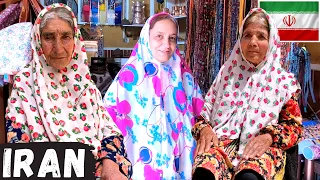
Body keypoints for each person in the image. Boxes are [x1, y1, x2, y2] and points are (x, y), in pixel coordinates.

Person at [5, 4, 132, 180]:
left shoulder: (84, 83)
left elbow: (110, 131)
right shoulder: (25, 85)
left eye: (65, 37)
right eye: (49, 37)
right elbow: (19, 151)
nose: (58, 48)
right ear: (38, 40)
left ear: (76, 39)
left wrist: (110, 165)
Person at [192, 8, 303, 180]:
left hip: (261, 147)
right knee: (203, 172)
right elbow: (203, 116)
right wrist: (205, 129)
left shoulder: (283, 82)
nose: (253, 42)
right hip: (222, 144)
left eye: (261, 36)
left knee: (248, 177)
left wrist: (269, 136)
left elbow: (294, 127)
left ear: (272, 41)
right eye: (247, 35)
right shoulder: (226, 74)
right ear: (240, 40)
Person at [103, 13, 204, 179]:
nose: (166, 44)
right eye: (159, 36)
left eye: (172, 38)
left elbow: (200, 113)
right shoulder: (128, 76)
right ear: (146, 37)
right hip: (141, 163)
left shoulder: (182, 73)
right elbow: (108, 121)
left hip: (179, 162)